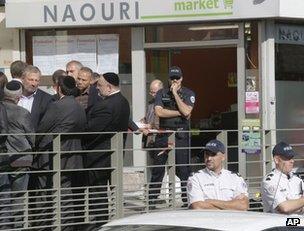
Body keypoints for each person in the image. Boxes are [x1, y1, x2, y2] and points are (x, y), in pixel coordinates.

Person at [36, 75, 87, 230]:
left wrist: (35, 144)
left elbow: (42, 128)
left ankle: (47, 225)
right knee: (65, 192)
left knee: (47, 192)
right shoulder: (79, 106)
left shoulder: (57, 105)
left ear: (59, 88)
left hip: (53, 155)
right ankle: (65, 226)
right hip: (73, 155)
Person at [84, 72, 130, 229]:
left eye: (100, 85)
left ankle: (101, 225)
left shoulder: (105, 106)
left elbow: (90, 131)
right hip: (113, 155)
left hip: (99, 157)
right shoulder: (123, 101)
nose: (97, 88)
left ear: (109, 88)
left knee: (98, 194)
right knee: (108, 192)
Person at [149, 66, 195, 206]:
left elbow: (187, 111)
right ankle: (151, 199)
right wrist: (180, 112)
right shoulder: (161, 93)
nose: (175, 81)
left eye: (177, 78)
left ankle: (187, 200)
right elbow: (159, 112)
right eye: (172, 78)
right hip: (164, 134)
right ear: (168, 79)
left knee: (183, 169)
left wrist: (175, 94)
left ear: (182, 78)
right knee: (158, 168)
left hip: (181, 135)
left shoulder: (188, 93)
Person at [1, 81, 35, 228]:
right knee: (19, 197)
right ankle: (18, 227)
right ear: (19, 96)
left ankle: (5, 226)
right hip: (21, 159)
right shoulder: (23, 113)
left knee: (3, 196)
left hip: (2, 159)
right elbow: (31, 137)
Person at [187, 139, 249, 211]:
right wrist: (231, 206)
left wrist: (210, 201)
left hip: (231, 221)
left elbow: (243, 205)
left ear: (223, 157)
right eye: (207, 154)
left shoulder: (235, 178)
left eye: (213, 154)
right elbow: (197, 206)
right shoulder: (196, 178)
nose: (209, 158)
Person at [261, 141, 304, 214]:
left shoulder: (297, 179)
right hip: (282, 224)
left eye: (292, 158)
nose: (292, 161)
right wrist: (300, 204)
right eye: (287, 158)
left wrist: (295, 204)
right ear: (277, 160)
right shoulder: (270, 181)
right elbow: (285, 208)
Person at [18, 65, 53, 131]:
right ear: (22, 79)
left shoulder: (46, 99)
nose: (34, 84)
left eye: (36, 80)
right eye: (31, 80)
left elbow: (46, 125)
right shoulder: (13, 96)